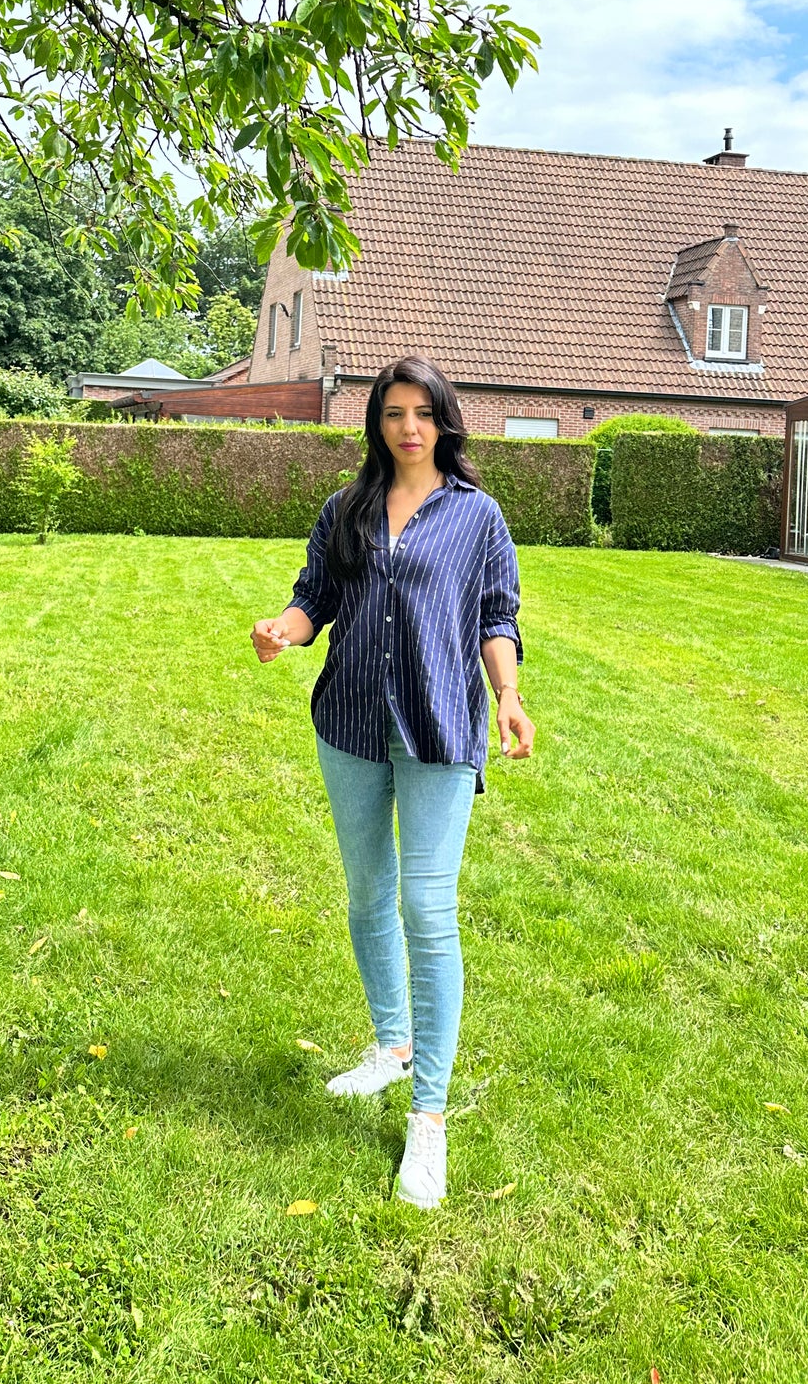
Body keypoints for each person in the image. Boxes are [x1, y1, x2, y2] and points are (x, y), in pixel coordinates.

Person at [252, 355, 534, 1209]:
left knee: (427, 906)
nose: (408, 426)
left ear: (445, 420)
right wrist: (284, 630)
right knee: (368, 893)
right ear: (375, 421)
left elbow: (495, 613)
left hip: (440, 727)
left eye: (423, 412)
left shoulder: (475, 515)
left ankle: (429, 1116)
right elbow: (316, 599)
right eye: (393, 412)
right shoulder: (346, 508)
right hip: (349, 724)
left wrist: (508, 694)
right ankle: (391, 1046)